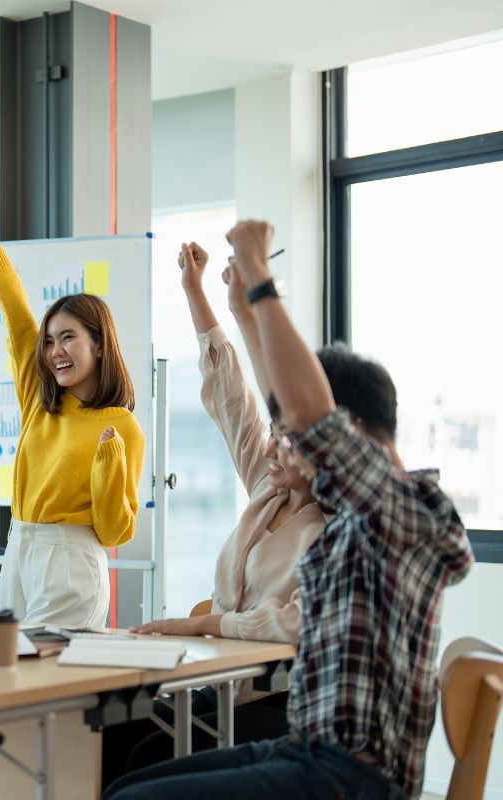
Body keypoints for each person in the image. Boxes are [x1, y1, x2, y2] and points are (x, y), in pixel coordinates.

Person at [105, 221, 474, 800]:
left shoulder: (409, 510)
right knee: (127, 783)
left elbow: (305, 414)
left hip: (352, 774)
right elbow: (271, 407)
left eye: (302, 438)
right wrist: (237, 304)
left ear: (346, 433)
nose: (289, 445)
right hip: (308, 748)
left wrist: (259, 279)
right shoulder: (352, 512)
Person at [102, 241, 328, 784]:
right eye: (272, 435)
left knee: (143, 759)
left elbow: (298, 623)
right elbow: (233, 397)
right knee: (112, 736)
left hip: (280, 703)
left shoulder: (332, 527)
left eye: (287, 439)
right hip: (222, 686)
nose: (271, 448)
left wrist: (205, 622)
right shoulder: (267, 488)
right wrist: (195, 291)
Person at [0, 183, 144, 626]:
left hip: (70, 557)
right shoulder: (39, 402)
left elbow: (116, 531)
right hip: (19, 546)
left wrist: (107, 463)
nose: (55, 351)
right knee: (11, 676)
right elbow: (14, 306)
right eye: (48, 341)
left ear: (99, 345)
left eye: (68, 338)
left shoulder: (122, 427)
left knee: (54, 684)